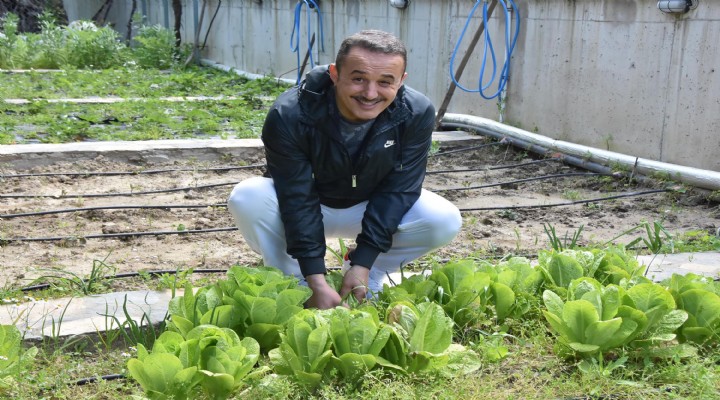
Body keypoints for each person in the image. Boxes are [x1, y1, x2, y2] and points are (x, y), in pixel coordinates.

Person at [227, 29, 461, 309]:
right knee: (248, 196)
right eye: (359, 78)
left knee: (443, 219)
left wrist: (363, 260)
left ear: (401, 81)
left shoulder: (415, 112)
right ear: (336, 74)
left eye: (385, 81)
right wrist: (315, 278)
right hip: (311, 204)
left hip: (366, 206)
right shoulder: (290, 113)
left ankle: (367, 274)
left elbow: (399, 189)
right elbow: (297, 197)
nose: (370, 93)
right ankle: (294, 282)